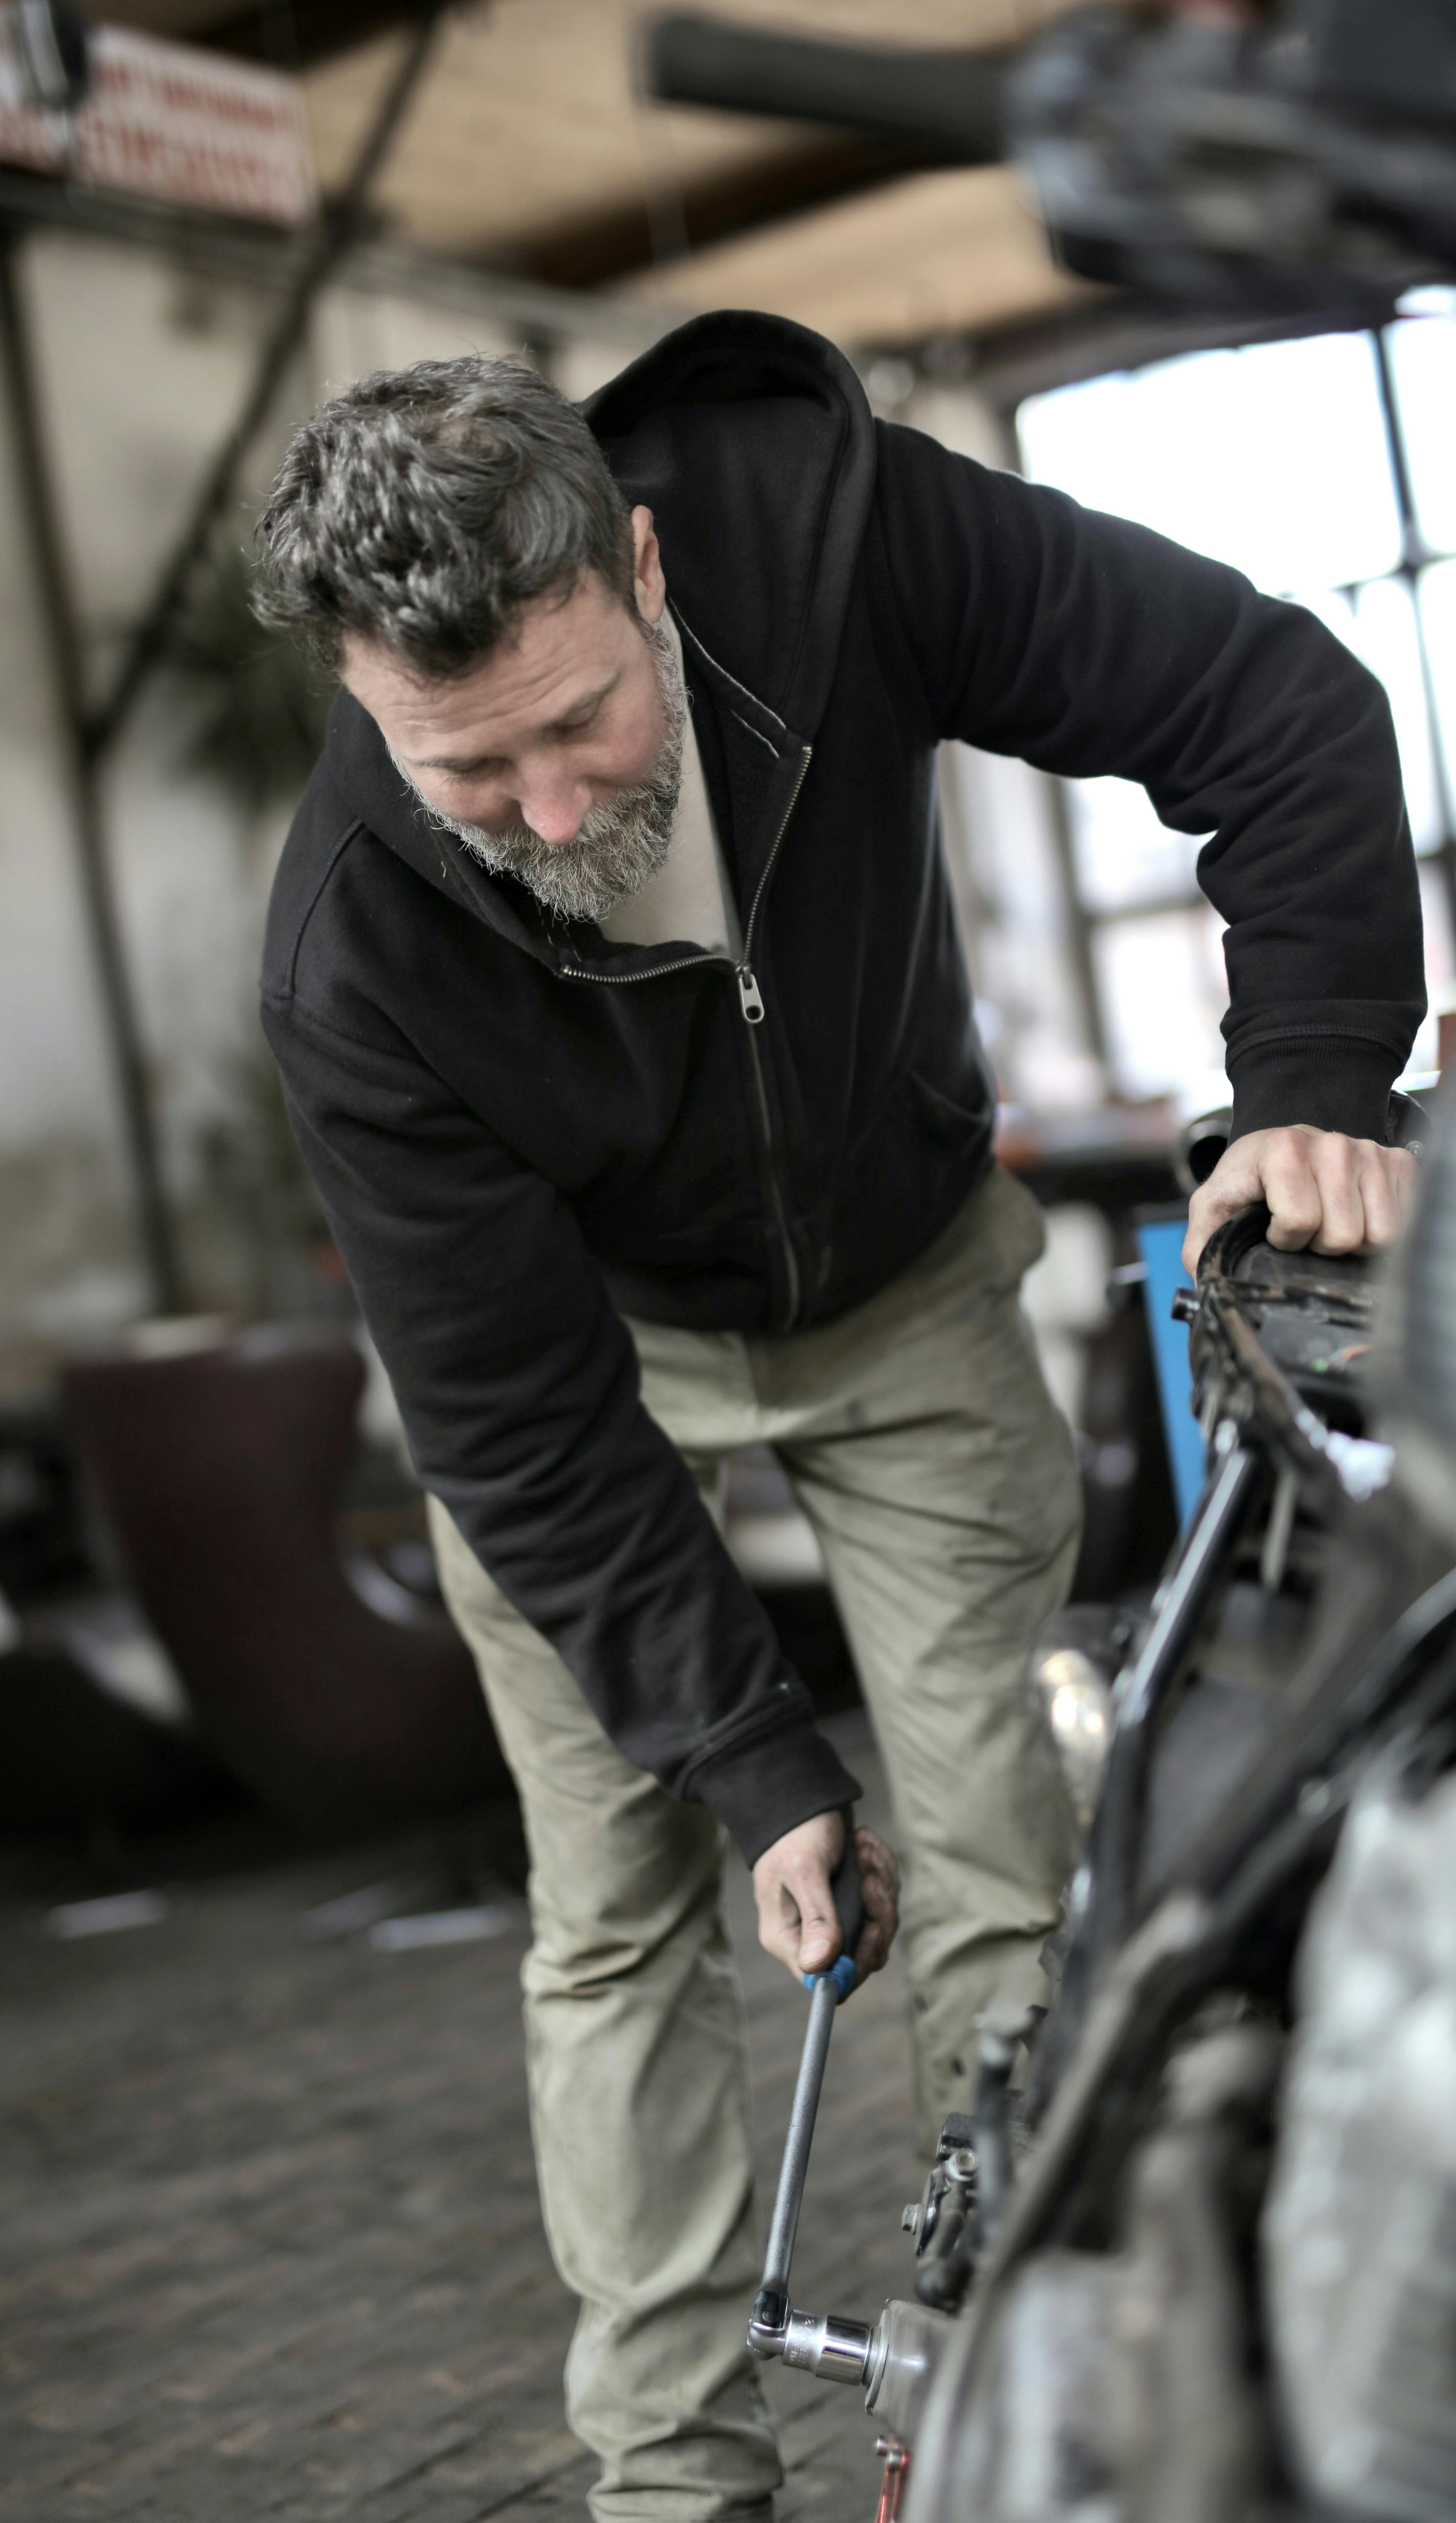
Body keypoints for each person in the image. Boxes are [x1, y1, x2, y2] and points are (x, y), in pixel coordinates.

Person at [255, 314, 1422, 2520]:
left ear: (652, 570)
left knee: (1004, 1856)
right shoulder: (351, 957)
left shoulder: (845, 537)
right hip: (590, 1370)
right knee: (620, 1900)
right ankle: (680, 2481)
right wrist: (754, 1762)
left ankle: (996, 2423)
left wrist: (1318, 1078)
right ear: (357, 697)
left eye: (581, 720)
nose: (553, 809)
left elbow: (1276, 702)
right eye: (466, 771)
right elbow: (512, 1432)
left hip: (900, 1281)